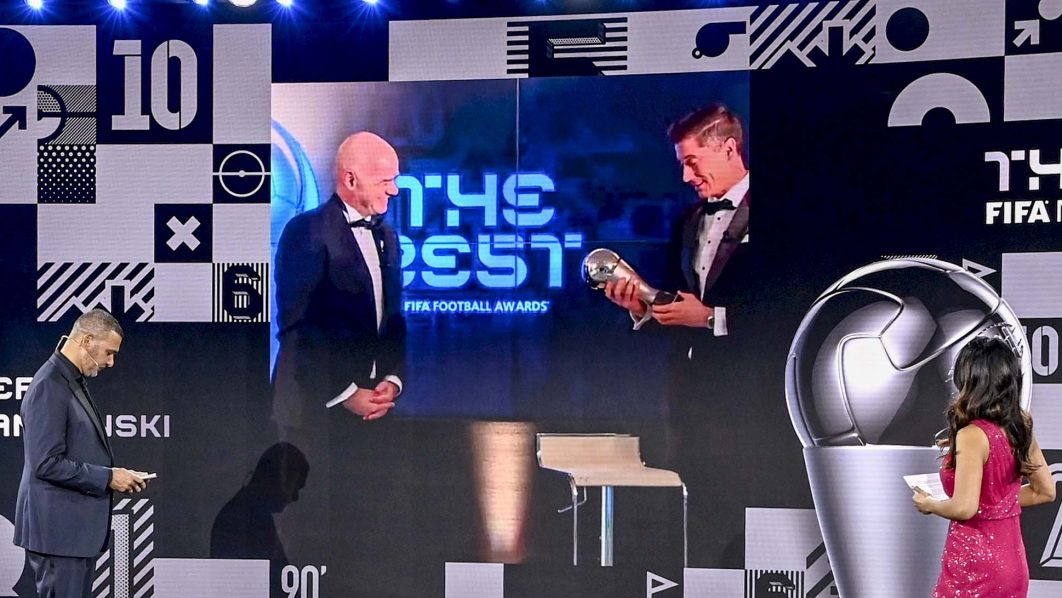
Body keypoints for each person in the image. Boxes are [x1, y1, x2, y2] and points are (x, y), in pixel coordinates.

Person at [602, 103, 763, 567]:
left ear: (728, 148)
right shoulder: (689, 221)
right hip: (691, 412)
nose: (686, 176)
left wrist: (713, 318)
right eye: (682, 165)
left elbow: (789, 311)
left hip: (755, 412)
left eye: (692, 162)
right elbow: (679, 305)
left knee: (748, 542)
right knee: (699, 537)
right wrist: (644, 308)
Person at [272, 131, 407, 437]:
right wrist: (347, 394)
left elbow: (393, 318)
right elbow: (298, 326)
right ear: (350, 180)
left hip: (375, 411)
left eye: (394, 179)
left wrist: (392, 379)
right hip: (313, 412)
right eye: (384, 181)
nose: (394, 190)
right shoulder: (306, 231)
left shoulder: (387, 236)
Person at [14, 309, 149, 598]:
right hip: (58, 534)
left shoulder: (70, 381)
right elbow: (46, 463)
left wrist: (113, 474)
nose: (111, 363)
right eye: (109, 353)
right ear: (87, 340)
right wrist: (108, 478)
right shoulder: (49, 385)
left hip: (71, 535)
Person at [912, 336, 1056, 596]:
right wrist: (994, 503)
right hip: (1012, 562)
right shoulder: (1021, 425)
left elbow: (964, 508)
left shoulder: (972, 435)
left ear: (972, 380)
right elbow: (1045, 491)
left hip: (975, 565)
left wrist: (929, 504)